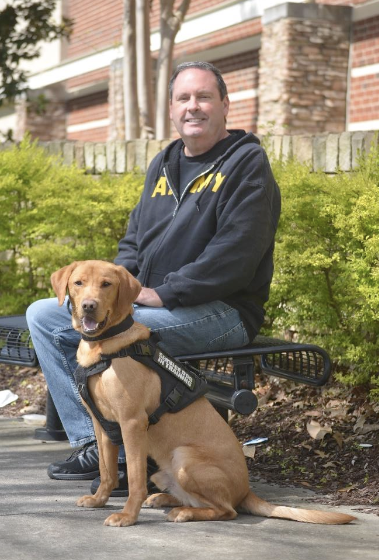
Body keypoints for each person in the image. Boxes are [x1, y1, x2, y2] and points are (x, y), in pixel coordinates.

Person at [26, 61, 281, 497]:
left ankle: (127, 459)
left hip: (222, 311)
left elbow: (236, 255)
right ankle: (95, 443)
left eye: (203, 97)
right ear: (171, 108)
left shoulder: (246, 165)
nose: (193, 107)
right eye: (184, 98)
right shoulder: (163, 163)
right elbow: (133, 242)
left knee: (121, 340)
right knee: (45, 316)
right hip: (151, 303)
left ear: (224, 105)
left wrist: (162, 293)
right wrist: (112, 284)